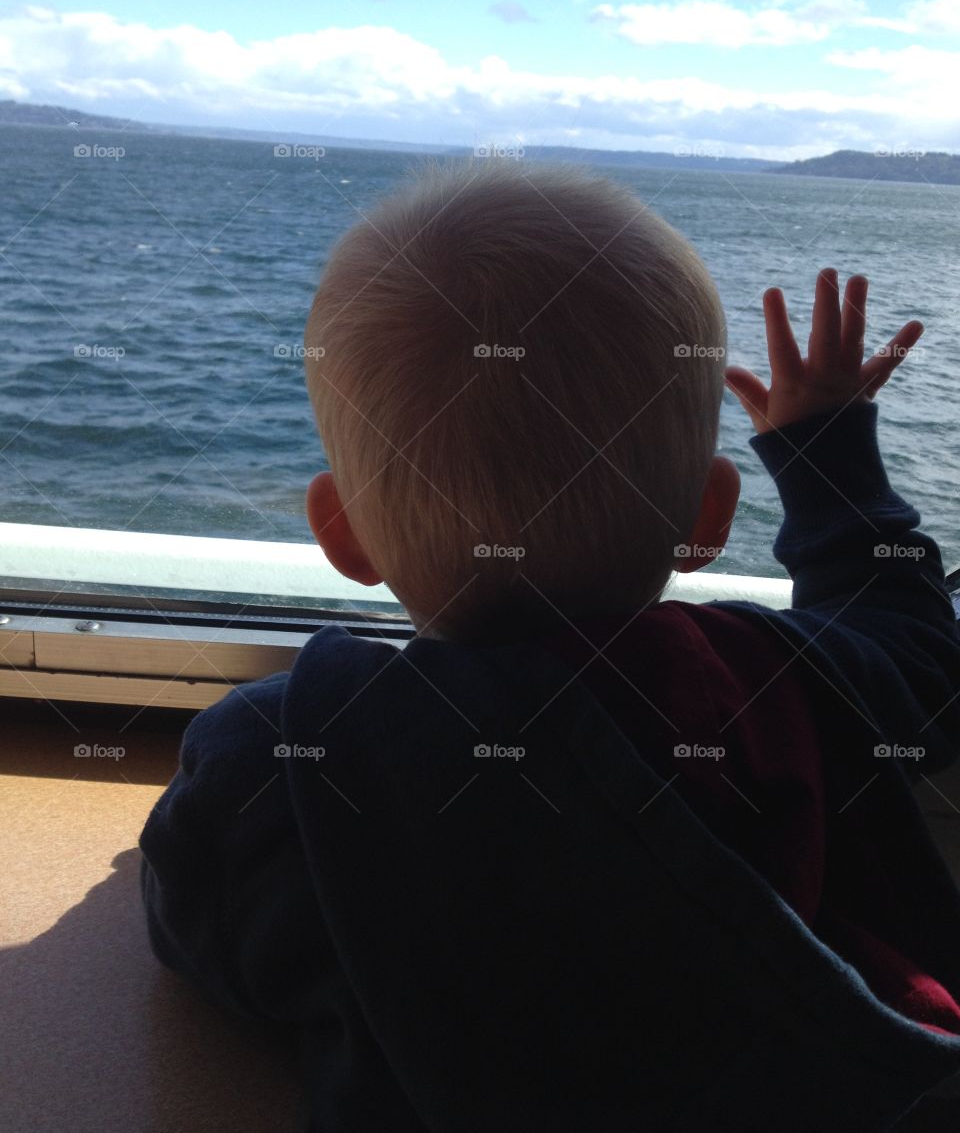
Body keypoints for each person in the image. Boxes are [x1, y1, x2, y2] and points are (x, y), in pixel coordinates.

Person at [140, 159, 960, 1131]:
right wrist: (828, 457)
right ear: (707, 517)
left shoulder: (297, 767)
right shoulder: (778, 689)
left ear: (343, 533)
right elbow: (916, 644)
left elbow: (190, 915)